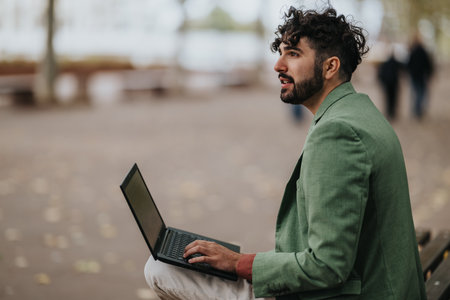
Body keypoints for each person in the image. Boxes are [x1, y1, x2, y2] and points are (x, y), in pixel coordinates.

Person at [145, 6, 426, 300]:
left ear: (330, 67)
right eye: (280, 53)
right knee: (180, 263)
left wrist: (238, 263)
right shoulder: (360, 112)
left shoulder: (338, 134)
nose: (278, 65)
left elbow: (328, 266)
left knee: (159, 269)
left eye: (293, 54)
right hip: (379, 285)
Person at [406, 34, 434, 119]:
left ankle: (416, 110)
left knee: (416, 93)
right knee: (420, 93)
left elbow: (408, 64)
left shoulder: (413, 51)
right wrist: (429, 73)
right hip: (421, 76)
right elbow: (428, 64)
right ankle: (418, 110)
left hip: (414, 75)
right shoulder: (423, 51)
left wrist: (408, 72)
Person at [377, 51, 402, 120]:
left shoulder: (385, 63)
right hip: (394, 83)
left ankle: (389, 112)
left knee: (388, 98)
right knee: (393, 98)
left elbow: (381, 74)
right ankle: (392, 112)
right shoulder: (396, 63)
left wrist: (382, 81)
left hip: (387, 83)